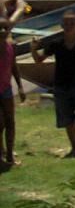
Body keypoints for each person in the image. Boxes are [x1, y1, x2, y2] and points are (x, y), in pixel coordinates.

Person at [30, 10, 75, 158]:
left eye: (71, 23)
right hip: (61, 85)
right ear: (61, 25)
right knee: (67, 118)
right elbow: (39, 60)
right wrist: (33, 49)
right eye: (65, 23)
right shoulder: (56, 43)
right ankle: (74, 148)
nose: (68, 26)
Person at [0, 17, 27, 167]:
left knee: (10, 122)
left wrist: (21, 87)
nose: (3, 31)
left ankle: (9, 154)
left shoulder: (10, 47)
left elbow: (14, 67)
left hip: (6, 90)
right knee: (0, 123)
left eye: (6, 28)